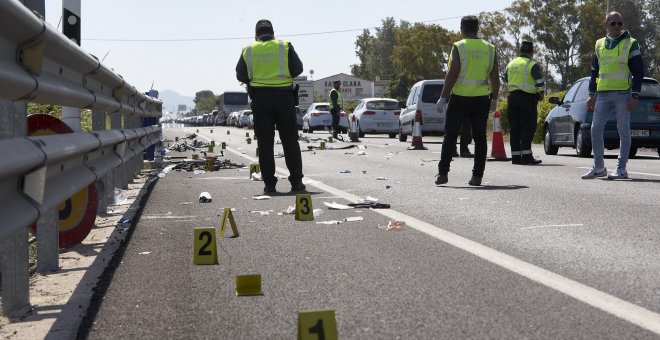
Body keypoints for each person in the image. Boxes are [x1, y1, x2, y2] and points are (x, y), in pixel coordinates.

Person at [236, 19, 306, 193]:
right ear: (273, 33)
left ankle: (269, 184)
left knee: (265, 143)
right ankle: (296, 183)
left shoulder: (248, 49)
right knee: (290, 141)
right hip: (284, 98)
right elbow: (298, 69)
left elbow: (240, 75)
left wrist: (258, 78)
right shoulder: (284, 46)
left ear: (256, 34)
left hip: (261, 99)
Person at [435, 16, 500, 186]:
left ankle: (443, 174)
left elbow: (453, 73)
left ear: (462, 29)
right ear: (477, 29)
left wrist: (443, 97)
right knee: (480, 138)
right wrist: (493, 98)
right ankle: (477, 176)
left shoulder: (459, 46)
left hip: (460, 98)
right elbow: (495, 77)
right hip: (481, 99)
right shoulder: (490, 49)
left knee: (450, 135)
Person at [582, 11, 644, 180]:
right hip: (602, 95)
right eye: (613, 23)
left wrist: (635, 95)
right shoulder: (599, 44)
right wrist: (590, 93)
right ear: (606, 25)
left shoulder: (631, 44)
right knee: (595, 130)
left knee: (623, 131)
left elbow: (639, 72)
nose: (617, 26)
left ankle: (621, 169)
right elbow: (595, 71)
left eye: (619, 23)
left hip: (623, 95)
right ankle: (599, 167)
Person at [504, 41, 545, 165]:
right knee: (528, 128)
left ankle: (516, 157)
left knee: (515, 128)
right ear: (531, 52)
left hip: (512, 99)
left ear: (520, 50)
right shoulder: (532, 64)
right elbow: (539, 81)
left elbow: (506, 78)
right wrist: (541, 93)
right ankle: (526, 156)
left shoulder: (510, 64)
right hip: (527, 99)